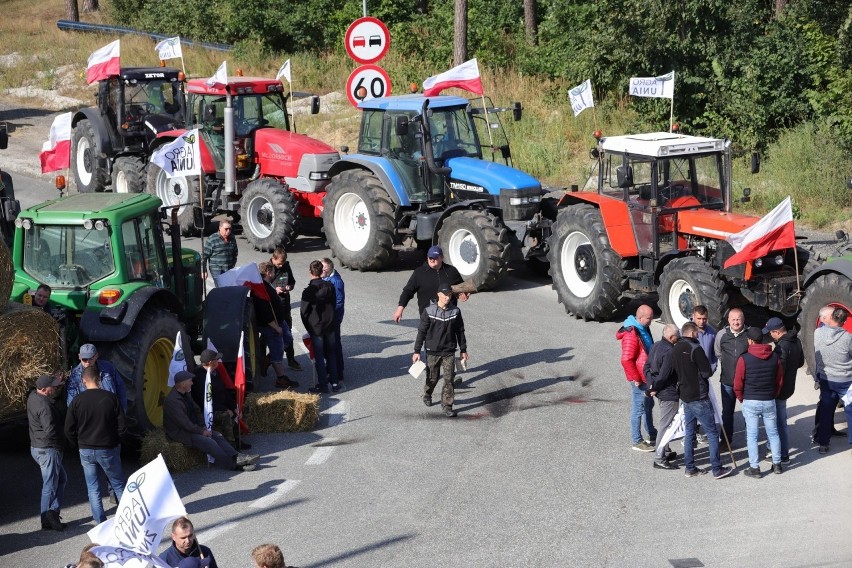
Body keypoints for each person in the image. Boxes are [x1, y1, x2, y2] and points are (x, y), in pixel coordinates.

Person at [65, 366, 126, 524]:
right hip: (107, 448)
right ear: (100, 378)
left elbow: (68, 429)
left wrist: (77, 444)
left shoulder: (77, 401)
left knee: (93, 488)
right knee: (118, 484)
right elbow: (122, 426)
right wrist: (115, 441)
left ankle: (100, 522)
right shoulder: (111, 398)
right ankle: (128, 518)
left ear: (83, 381)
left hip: (85, 449)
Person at [163, 370, 258, 471]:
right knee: (209, 442)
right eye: (190, 381)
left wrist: (203, 426)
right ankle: (233, 465)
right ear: (182, 384)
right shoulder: (173, 401)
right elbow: (185, 423)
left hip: (191, 428)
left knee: (217, 435)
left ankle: (237, 456)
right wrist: (201, 431)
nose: (192, 383)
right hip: (180, 432)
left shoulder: (185, 394)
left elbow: (197, 411)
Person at [672, 322, 733, 479]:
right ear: (692, 333)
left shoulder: (676, 347)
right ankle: (717, 469)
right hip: (699, 396)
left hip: (685, 396)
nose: (699, 335)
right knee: (712, 433)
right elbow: (706, 372)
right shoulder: (696, 349)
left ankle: (690, 468)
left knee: (690, 432)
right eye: (697, 333)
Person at [734, 327, 784, 477]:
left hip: (751, 400)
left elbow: (738, 383)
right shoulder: (775, 357)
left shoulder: (744, 358)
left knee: (752, 435)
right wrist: (773, 394)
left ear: (749, 341)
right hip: (769, 400)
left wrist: (741, 398)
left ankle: (754, 468)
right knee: (773, 433)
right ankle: (777, 465)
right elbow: (779, 380)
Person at [413, 283, 468, 418]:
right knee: (433, 378)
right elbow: (421, 332)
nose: (447, 298)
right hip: (432, 351)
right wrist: (416, 351)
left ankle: (447, 405)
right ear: (438, 295)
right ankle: (427, 393)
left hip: (449, 351)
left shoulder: (455, 312)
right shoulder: (429, 311)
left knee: (449, 379)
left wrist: (463, 349)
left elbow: (460, 331)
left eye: (449, 295)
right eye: (445, 295)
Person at [27, 373, 67, 531]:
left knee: (62, 479)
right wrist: (61, 447)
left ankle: (53, 512)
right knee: (49, 485)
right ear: (44, 389)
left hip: (36, 447)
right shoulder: (44, 407)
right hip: (47, 449)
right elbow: (51, 432)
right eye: (53, 386)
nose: (55, 387)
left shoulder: (32, 397)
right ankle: (46, 519)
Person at [616, 304, 657, 451]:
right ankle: (637, 440)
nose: (651, 321)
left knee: (648, 405)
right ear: (639, 317)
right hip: (639, 378)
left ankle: (651, 433)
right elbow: (626, 359)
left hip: (646, 377)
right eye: (649, 318)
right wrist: (637, 379)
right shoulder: (631, 333)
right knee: (638, 408)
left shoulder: (642, 327)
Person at [393, 245, 468, 323]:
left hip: (449, 318)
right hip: (428, 318)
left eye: (435, 257)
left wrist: (464, 295)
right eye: (430, 257)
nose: (432, 260)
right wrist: (400, 309)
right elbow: (408, 291)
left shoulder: (452, 271)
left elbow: (463, 288)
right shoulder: (419, 273)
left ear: (442, 257)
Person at [764, 316, 803, 464]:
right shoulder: (796, 341)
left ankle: (783, 455)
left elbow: (778, 371)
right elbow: (800, 362)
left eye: (770, 333)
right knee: (780, 420)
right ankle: (774, 449)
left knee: (779, 423)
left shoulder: (780, 347)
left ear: (776, 332)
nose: (769, 335)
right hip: (789, 387)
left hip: (779, 390)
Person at [813, 306, 852, 454]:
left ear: (832, 317)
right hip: (846, 382)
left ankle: (823, 444)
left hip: (826, 380)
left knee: (826, 411)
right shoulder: (848, 338)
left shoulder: (818, 333)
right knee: (850, 410)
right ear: (844, 321)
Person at [192, 349, 247, 448]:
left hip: (221, 405)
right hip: (208, 410)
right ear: (210, 362)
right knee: (225, 416)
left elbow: (224, 392)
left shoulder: (215, 372)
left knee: (242, 408)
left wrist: (234, 407)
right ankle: (232, 446)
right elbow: (206, 400)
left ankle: (238, 439)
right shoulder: (199, 378)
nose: (219, 360)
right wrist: (225, 409)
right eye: (217, 359)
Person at [301, 260, 340, 394]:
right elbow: (334, 305)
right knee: (331, 354)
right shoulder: (330, 287)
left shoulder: (308, 291)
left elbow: (304, 312)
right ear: (321, 271)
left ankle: (323, 385)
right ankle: (335, 383)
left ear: (310, 272)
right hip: (329, 326)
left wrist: (309, 327)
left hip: (316, 328)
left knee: (319, 357)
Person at [258, 261, 298, 390]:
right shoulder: (261, 289)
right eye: (273, 272)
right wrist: (276, 327)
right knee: (277, 352)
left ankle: (267, 360)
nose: (275, 274)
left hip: (280, 321)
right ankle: (281, 379)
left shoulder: (267, 285)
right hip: (272, 326)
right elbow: (264, 312)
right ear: (269, 272)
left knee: (288, 339)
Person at [645, 323, 680, 469]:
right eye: (677, 337)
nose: (679, 339)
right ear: (671, 337)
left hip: (660, 391)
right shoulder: (670, 351)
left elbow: (646, 367)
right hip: (669, 393)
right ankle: (659, 458)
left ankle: (665, 450)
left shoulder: (656, 345)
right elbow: (664, 375)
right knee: (666, 425)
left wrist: (651, 385)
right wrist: (655, 387)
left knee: (667, 423)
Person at [714, 307, 749, 445]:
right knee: (727, 413)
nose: (736, 322)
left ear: (743, 320)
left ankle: (750, 442)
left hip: (746, 383)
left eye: (738, 319)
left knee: (748, 414)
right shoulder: (721, 334)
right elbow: (718, 352)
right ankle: (726, 441)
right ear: (728, 320)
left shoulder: (749, 334)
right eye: (733, 319)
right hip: (727, 382)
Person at [66, 344, 127, 411]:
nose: (87, 362)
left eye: (90, 358)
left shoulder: (108, 368)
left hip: (109, 412)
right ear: (79, 357)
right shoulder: (74, 375)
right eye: (84, 359)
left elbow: (120, 387)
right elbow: (71, 402)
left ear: (96, 356)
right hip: (89, 415)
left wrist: (122, 410)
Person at [270, 248, 301, 370]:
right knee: (270, 335)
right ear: (273, 259)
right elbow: (262, 285)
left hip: (284, 305)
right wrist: (274, 290)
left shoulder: (286, 267)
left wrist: (289, 287)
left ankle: (291, 359)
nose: (281, 265)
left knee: (288, 332)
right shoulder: (266, 269)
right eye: (279, 263)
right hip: (271, 307)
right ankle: (265, 360)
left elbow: (292, 281)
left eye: (283, 263)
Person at [321, 257, 346, 385]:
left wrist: (330, 316)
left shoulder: (336, 281)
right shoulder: (328, 278)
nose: (321, 270)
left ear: (329, 267)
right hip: (331, 318)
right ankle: (333, 369)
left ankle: (338, 373)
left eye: (323, 267)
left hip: (333, 319)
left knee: (334, 345)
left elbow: (339, 302)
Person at [202, 220, 238, 287]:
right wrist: (204, 271)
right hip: (217, 270)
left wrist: (232, 265)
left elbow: (235, 253)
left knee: (228, 288)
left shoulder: (232, 238)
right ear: (220, 228)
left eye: (230, 229)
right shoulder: (212, 239)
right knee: (220, 289)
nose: (228, 231)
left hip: (228, 269)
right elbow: (204, 257)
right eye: (226, 229)